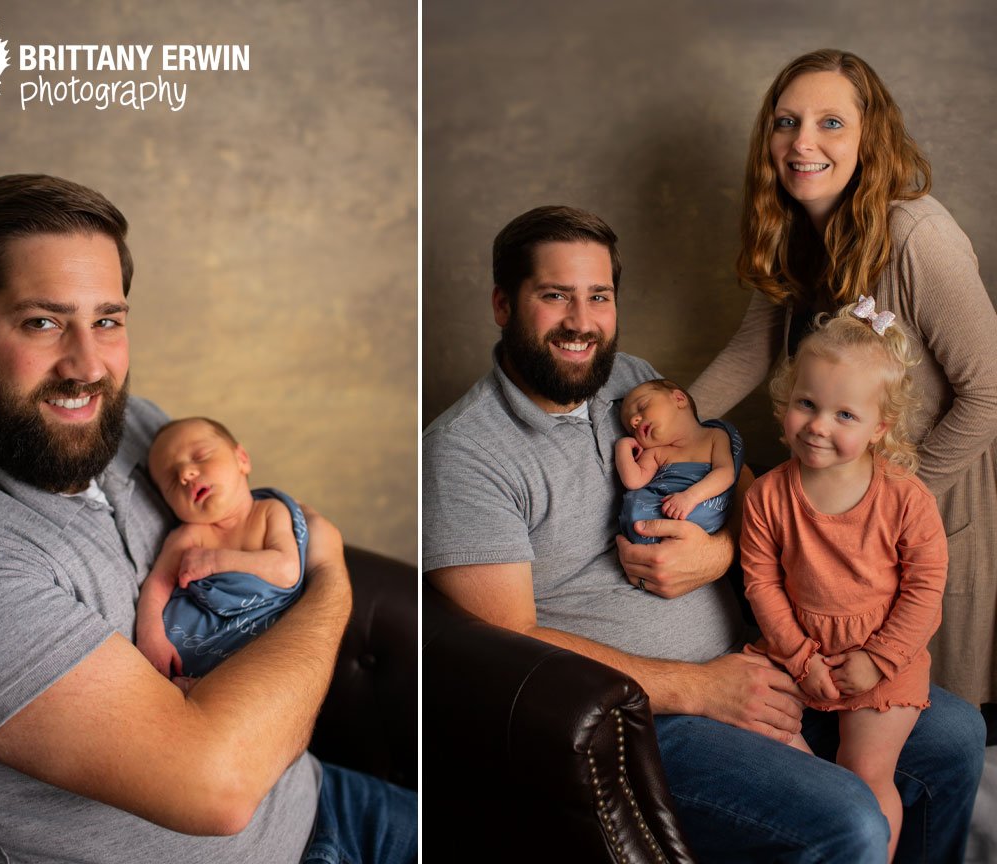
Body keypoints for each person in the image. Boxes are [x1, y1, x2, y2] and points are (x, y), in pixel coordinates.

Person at [0, 174, 416, 864]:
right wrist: (330, 580)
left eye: (107, 320)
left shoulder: (134, 430)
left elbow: (244, 513)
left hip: (321, 798)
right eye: (42, 322)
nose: (87, 367)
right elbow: (219, 788)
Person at [422, 204, 984, 863]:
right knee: (848, 820)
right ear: (502, 304)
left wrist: (720, 555)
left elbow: (750, 495)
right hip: (646, 719)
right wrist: (700, 688)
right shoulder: (464, 453)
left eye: (598, 296)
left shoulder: (631, 379)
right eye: (554, 296)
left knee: (954, 734)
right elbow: (503, 647)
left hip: (762, 656)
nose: (581, 322)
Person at [688, 48, 997, 707]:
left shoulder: (918, 238)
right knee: (839, 711)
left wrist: (890, 502)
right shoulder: (797, 232)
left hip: (926, 510)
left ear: (870, 137)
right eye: (786, 122)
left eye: (831, 122)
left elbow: (989, 393)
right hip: (828, 521)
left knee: (924, 719)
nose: (802, 142)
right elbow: (752, 350)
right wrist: (666, 415)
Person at [743, 300, 947, 861]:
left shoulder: (905, 499)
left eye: (844, 416)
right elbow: (761, 583)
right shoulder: (767, 495)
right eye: (806, 404)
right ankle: (819, 813)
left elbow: (925, 591)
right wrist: (799, 656)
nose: (817, 426)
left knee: (863, 774)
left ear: (880, 427)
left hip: (882, 658)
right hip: (797, 648)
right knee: (763, 725)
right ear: (788, 400)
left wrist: (878, 660)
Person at [137, 416, 306, 680]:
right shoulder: (189, 535)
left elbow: (287, 571)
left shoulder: (269, 512)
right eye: (171, 478)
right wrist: (152, 637)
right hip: (195, 655)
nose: (185, 474)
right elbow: (157, 584)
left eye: (200, 456)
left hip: (261, 652)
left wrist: (216, 560)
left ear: (242, 459)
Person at [616, 378, 743, 544]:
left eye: (642, 407)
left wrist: (690, 497)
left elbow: (726, 474)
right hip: (656, 519)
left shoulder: (714, 436)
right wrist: (623, 446)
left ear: (679, 399)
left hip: (697, 511)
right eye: (631, 429)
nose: (634, 421)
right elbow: (633, 482)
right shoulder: (655, 453)